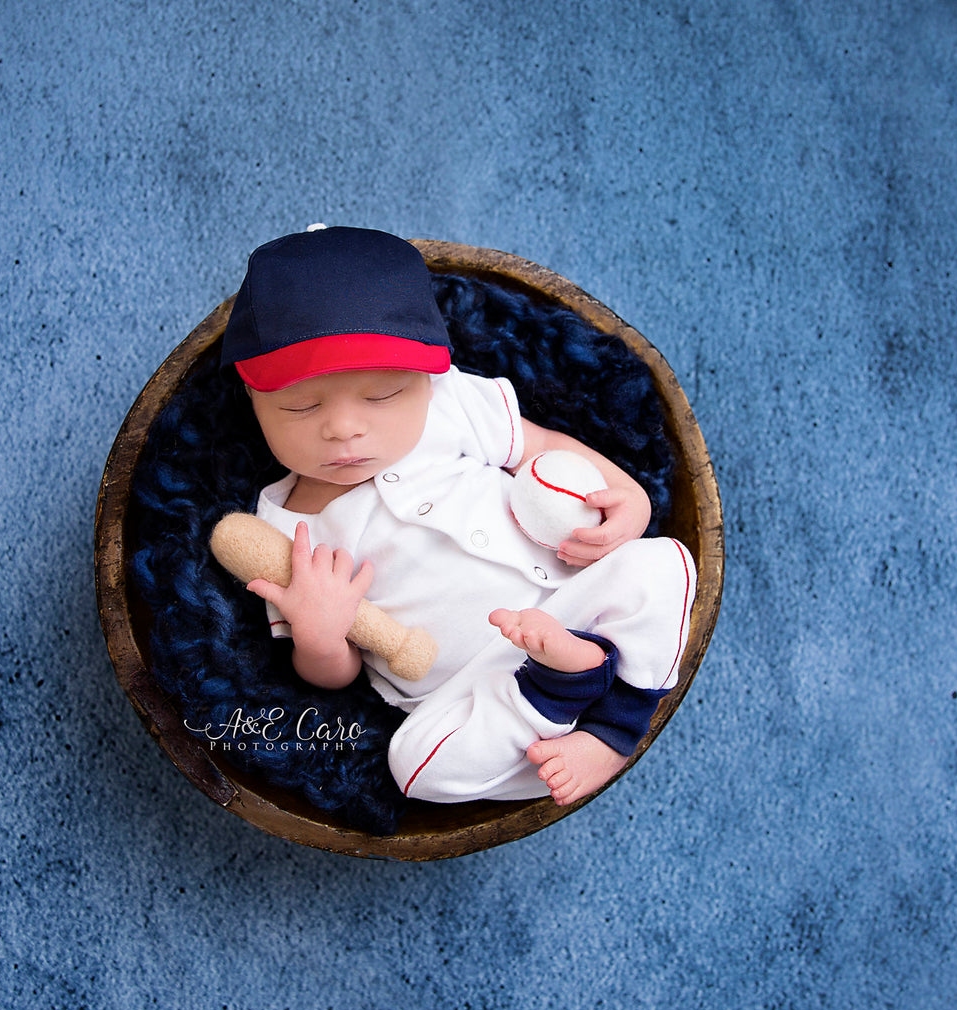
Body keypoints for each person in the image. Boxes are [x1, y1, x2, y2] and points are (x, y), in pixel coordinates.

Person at [219, 226, 696, 805]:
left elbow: (540, 445)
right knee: (415, 768)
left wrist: (629, 497)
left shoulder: (450, 407)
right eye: (300, 405)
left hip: (576, 603)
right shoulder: (280, 530)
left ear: (427, 377)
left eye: (381, 396)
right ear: (253, 398)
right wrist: (320, 636)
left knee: (664, 564)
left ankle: (614, 726)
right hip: (478, 692)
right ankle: (560, 695)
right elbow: (335, 675)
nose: (342, 428)